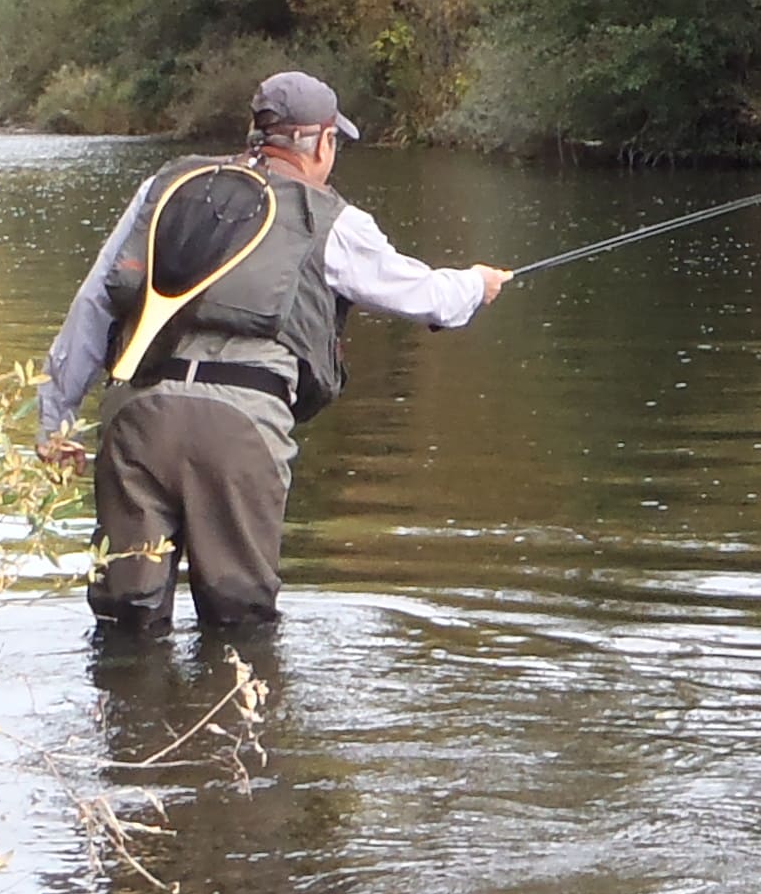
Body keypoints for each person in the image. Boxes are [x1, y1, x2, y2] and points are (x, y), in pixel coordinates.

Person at [34, 69, 510, 627]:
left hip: (135, 418)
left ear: (256, 131)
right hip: (241, 429)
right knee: (239, 625)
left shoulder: (164, 189)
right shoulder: (334, 221)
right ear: (323, 142)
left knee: (126, 620)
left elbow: (94, 304)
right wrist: (476, 284)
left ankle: (127, 685)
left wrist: (55, 421)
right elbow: (428, 298)